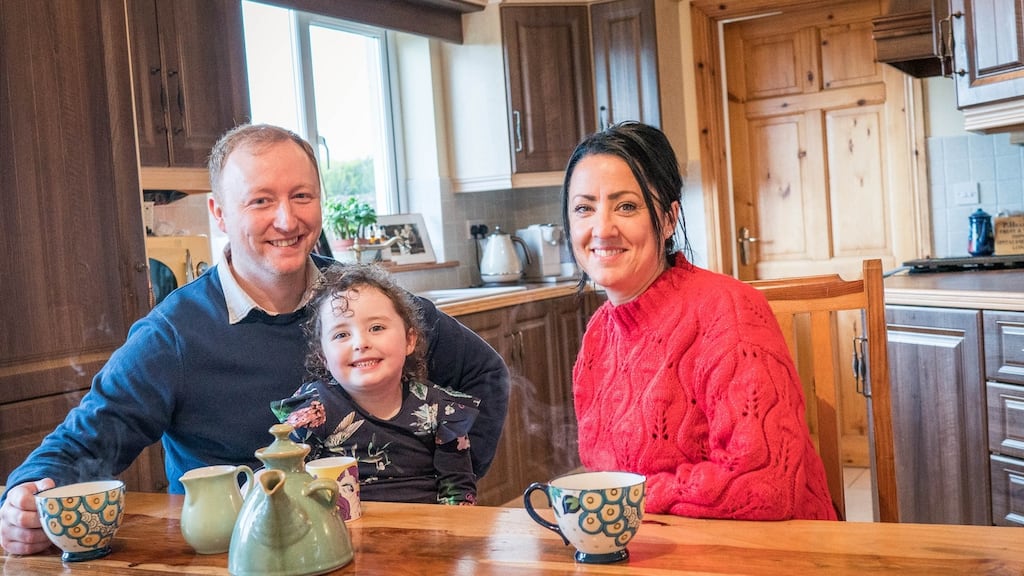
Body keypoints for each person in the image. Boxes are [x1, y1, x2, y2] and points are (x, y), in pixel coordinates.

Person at [0, 124, 509, 555]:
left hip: (386, 553)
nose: (286, 220)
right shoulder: (174, 335)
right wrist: (26, 497)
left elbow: (484, 374)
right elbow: (81, 444)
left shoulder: (367, 302)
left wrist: (452, 479)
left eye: (301, 196)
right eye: (260, 201)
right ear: (219, 213)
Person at [561, 121, 835, 521]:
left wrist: (632, 496)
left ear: (669, 219)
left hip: (766, 552)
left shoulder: (729, 311)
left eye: (626, 206)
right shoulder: (599, 335)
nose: (601, 228)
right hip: (659, 548)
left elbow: (764, 484)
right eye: (584, 208)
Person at [272, 264, 479, 505]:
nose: (361, 343)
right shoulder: (314, 409)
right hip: (340, 533)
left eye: (377, 328)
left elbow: (459, 493)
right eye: (341, 335)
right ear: (324, 358)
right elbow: (292, 482)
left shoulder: (441, 410)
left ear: (409, 340)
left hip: (427, 533)